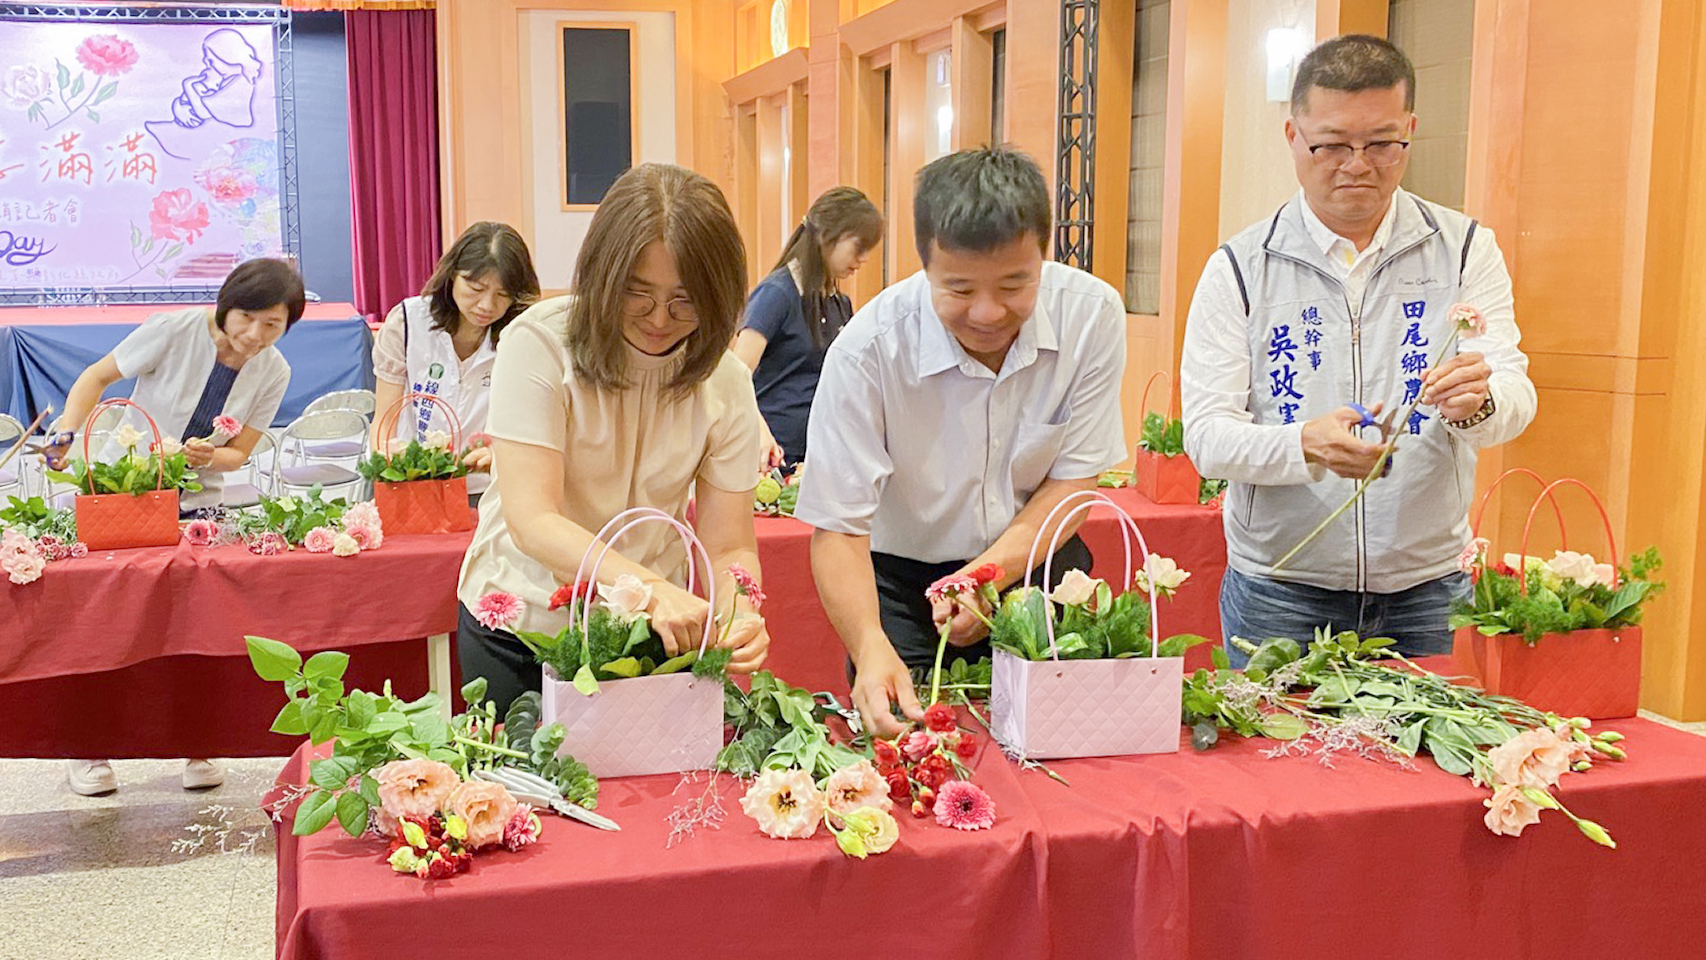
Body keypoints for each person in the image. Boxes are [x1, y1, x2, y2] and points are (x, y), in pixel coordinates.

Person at [1180, 35, 1536, 663]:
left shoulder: (1462, 248)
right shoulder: (1240, 266)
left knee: (1428, 759)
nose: (1357, 165)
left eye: (1381, 143)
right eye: (1332, 144)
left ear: (1411, 130)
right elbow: (1207, 438)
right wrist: (1302, 445)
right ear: (1293, 134)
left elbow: (1513, 389)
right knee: (1279, 759)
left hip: (1426, 585)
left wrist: (1479, 403)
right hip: (1281, 588)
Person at [795, 147, 1128, 737]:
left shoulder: (1091, 316)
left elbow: (1075, 481)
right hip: (902, 586)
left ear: (1043, 256)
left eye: (1014, 284)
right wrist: (870, 645)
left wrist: (987, 576)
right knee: (920, 753)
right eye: (959, 288)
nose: (988, 311)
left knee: (1065, 751)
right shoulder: (868, 351)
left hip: (1038, 563)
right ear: (924, 264)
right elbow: (840, 525)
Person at [455, 163, 771, 713]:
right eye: (637, 294)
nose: (659, 319)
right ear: (602, 275)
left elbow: (729, 544)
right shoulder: (539, 344)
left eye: (686, 300)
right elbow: (534, 520)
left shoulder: (725, 382)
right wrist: (649, 589)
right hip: (521, 621)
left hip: (641, 633)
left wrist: (740, 609)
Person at [46, 256, 305, 796]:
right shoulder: (175, 329)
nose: (255, 335)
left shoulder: (274, 370)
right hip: (126, 492)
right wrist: (67, 434)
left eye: (273, 325)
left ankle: (200, 743)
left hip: (199, 508)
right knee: (105, 621)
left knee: (196, 628)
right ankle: (88, 748)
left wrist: (211, 457)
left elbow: (243, 454)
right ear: (227, 305)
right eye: (248, 318)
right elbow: (97, 376)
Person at [371, 222, 540, 504]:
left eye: (502, 295)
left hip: (489, 488)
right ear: (452, 276)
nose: (487, 305)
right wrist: (387, 464)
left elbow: (532, 422)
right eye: (476, 288)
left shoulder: (522, 336)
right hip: (414, 483)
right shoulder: (407, 323)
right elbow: (385, 417)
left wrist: (501, 455)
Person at [731, 187, 882, 469]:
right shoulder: (777, 294)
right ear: (827, 235)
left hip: (817, 459)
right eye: (859, 247)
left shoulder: (840, 303)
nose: (863, 259)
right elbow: (734, 375)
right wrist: (760, 432)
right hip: (771, 460)